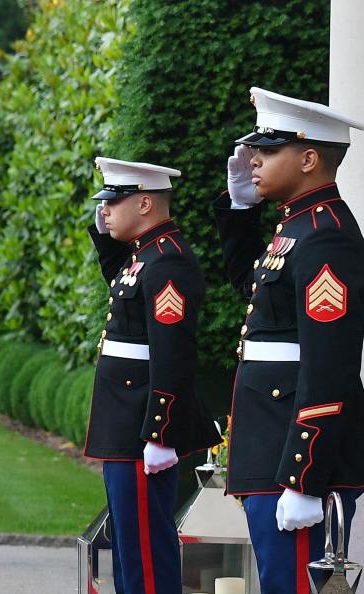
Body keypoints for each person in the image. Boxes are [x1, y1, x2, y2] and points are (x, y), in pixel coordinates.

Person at [214, 87, 364, 594]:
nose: (253, 159)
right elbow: (250, 286)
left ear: (308, 158)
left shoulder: (326, 235)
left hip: (294, 457)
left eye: (268, 149)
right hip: (271, 446)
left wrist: (304, 473)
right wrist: (238, 209)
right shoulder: (296, 229)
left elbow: (330, 363)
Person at [86, 157, 220, 594]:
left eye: (113, 201)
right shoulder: (146, 256)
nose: (104, 210)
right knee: (129, 550)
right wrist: (105, 239)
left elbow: (173, 355)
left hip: (141, 425)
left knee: (145, 553)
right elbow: (123, 290)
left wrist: (160, 433)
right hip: (126, 423)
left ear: (144, 203)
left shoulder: (167, 262)